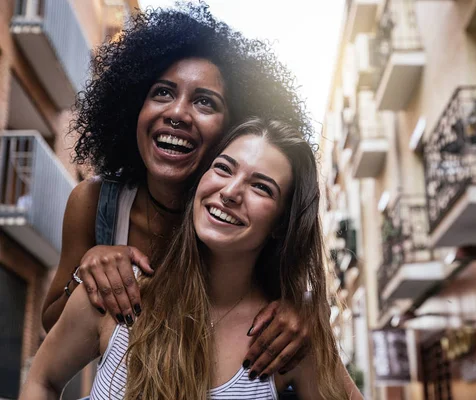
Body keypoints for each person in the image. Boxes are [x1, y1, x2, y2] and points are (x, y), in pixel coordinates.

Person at [41, 4, 312, 380]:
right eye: (163, 92)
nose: (178, 113)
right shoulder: (94, 202)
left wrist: (303, 310)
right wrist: (88, 271)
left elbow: (294, 286)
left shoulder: (238, 216)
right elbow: (52, 326)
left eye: (205, 101)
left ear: (233, 129)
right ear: (135, 106)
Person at [21, 118, 362, 400]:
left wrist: (309, 306)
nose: (230, 192)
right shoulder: (118, 294)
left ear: (281, 224)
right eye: (223, 168)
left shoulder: (287, 338)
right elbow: (42, 380)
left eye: (261, 187)